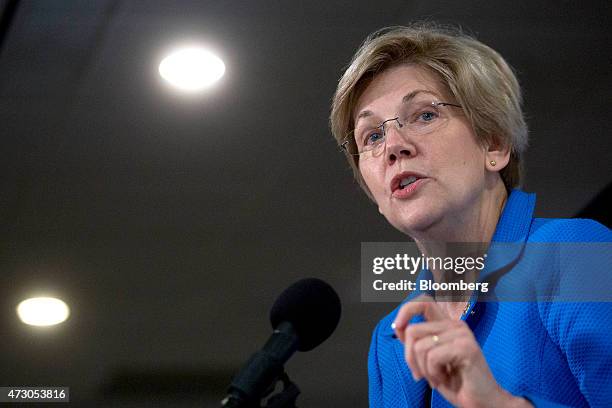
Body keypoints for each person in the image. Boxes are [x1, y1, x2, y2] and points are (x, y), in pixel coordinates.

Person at [329, 24, 612, 407]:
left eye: (424, 115)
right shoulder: (390, 342)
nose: (393, 146)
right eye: (372, 137)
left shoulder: (574, 257)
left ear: (494, 143)